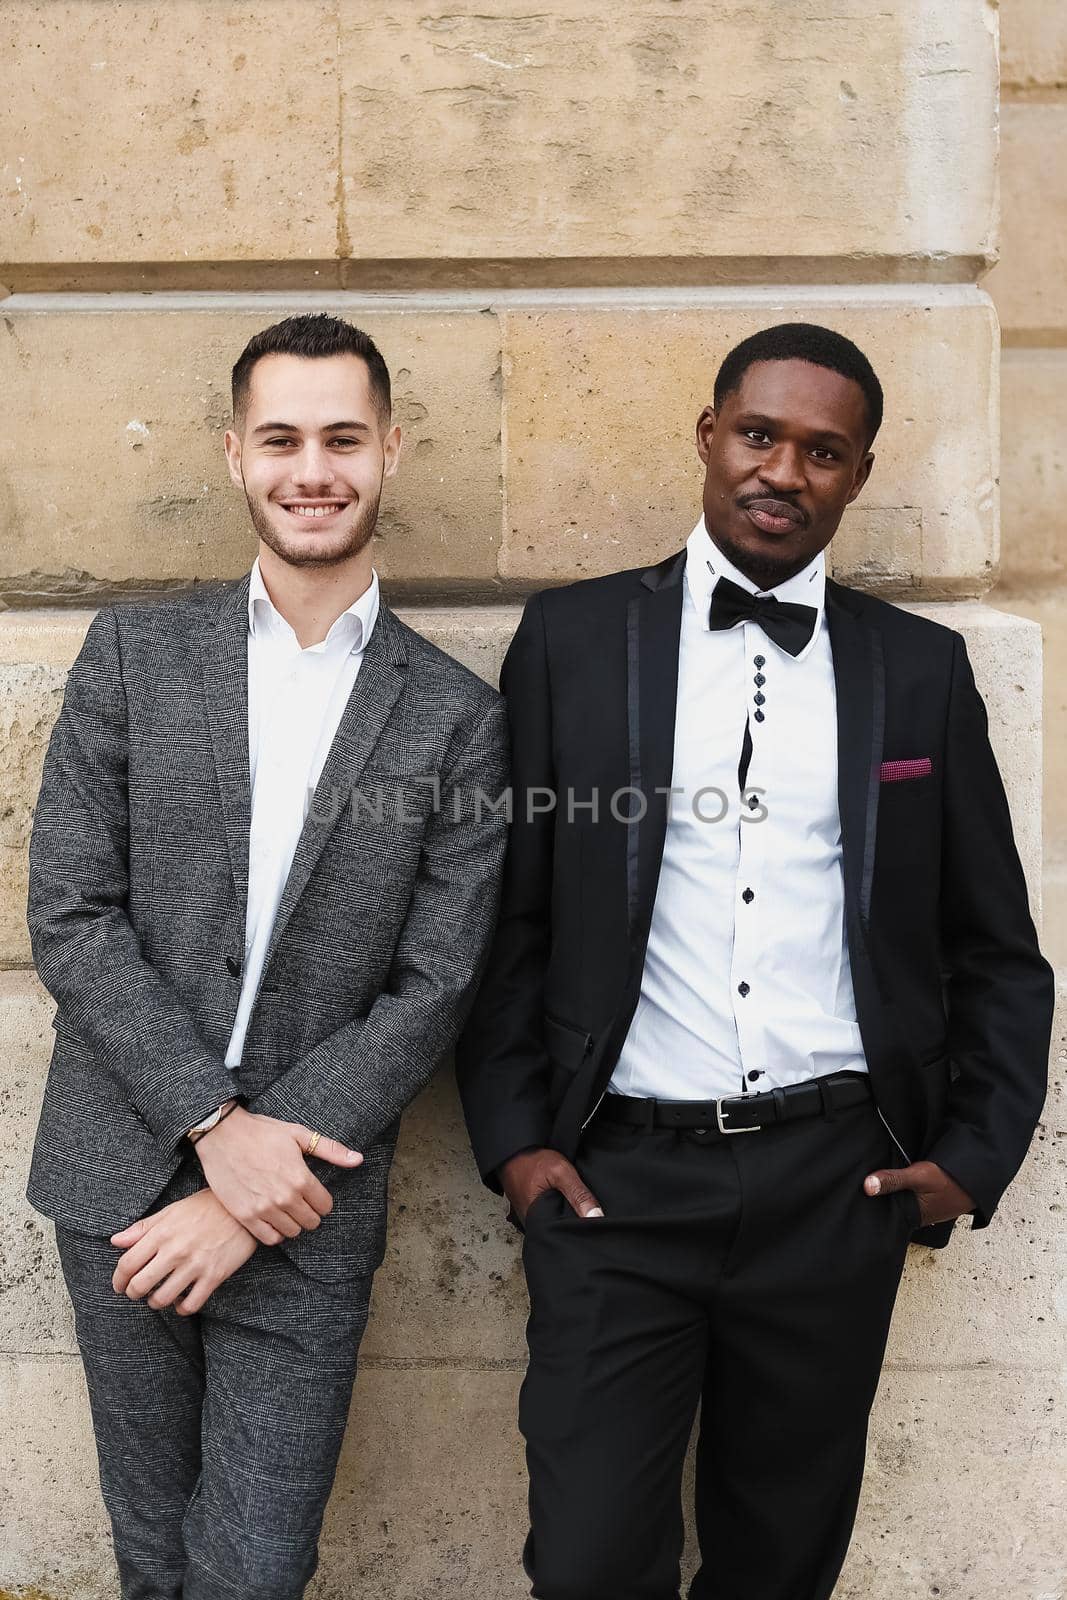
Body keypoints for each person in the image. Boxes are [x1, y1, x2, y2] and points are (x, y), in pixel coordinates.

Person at [457, 322, 1054, 1600]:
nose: (782, 469)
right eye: (758, 434)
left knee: (779, 1562)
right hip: (615, 1183)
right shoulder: (568, 642)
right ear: (708, 437)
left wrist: (973, 1156)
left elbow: (994, 947)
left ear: (858, 473)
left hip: (832, 1188)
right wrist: (515, 1142)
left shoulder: (918, 670)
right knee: (585, 1560)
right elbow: (508, 920)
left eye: (821, 451)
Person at [26, 313, 508, 1600]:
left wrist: (255, 1165)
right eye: (283, 437)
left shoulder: (457, 715)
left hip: (307, 1207)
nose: (314, 469)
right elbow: (71, 912)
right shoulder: (135, 656)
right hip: (116, 1176)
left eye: (343, 437)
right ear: (235, 453)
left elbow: (435, 983)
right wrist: (207, 1121)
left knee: (250, 1572)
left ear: (390, 451)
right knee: (150, 1563)